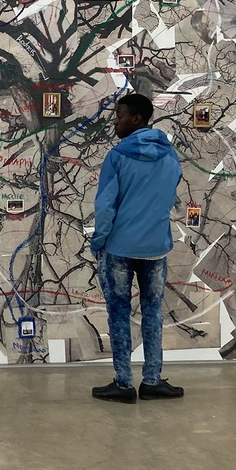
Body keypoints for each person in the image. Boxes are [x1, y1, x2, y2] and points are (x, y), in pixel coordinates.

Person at [89, 93, 184, 403]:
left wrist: (99, 241)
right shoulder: (170, 157)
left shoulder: (117, 156)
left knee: (118, 313)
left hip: (119, 247)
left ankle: (124, 383)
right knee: (153, 312)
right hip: (157, 247)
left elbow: (105, 208)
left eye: (120, 116)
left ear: (137, 119)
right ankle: (152, 380)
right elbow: (168, 197)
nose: (115, 121)